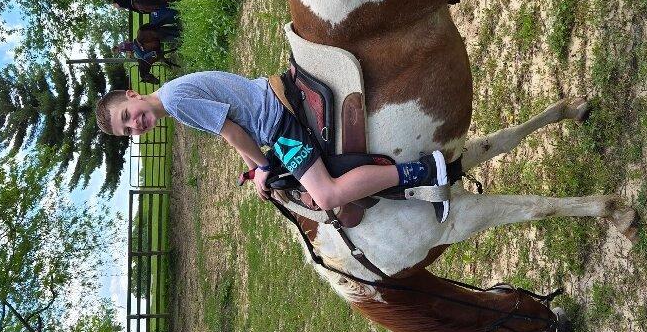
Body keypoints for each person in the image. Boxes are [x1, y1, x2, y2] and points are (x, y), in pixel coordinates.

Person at [95, 71, 451, 220]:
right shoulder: (171, 95)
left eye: (128, 114)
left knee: (325, 196)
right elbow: (231, 128)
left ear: (133, 95)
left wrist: (263, 168)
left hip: (276, 121)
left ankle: (423, 171)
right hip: (268, 108)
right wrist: (256, 167)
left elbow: (232, 133)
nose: (134, 124)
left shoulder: (174, 103)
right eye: (127, 130)